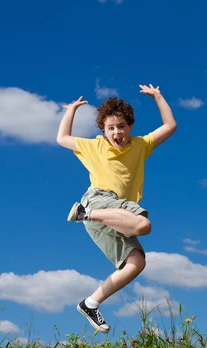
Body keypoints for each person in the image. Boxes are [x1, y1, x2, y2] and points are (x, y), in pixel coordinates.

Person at [56, 85, 177, 333]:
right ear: (104, 131)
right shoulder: (95, 146)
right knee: (143, 224)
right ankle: (84, 213)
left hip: (112, 215)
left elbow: (170, 126)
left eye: (121, 126)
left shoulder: (140, 145)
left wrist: (158, 97)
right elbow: (62, 139)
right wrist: (70, 111)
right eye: (111, 128)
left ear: (130, 127)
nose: (117, 132)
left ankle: (90, 303)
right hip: (98, 200)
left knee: (136, 262)